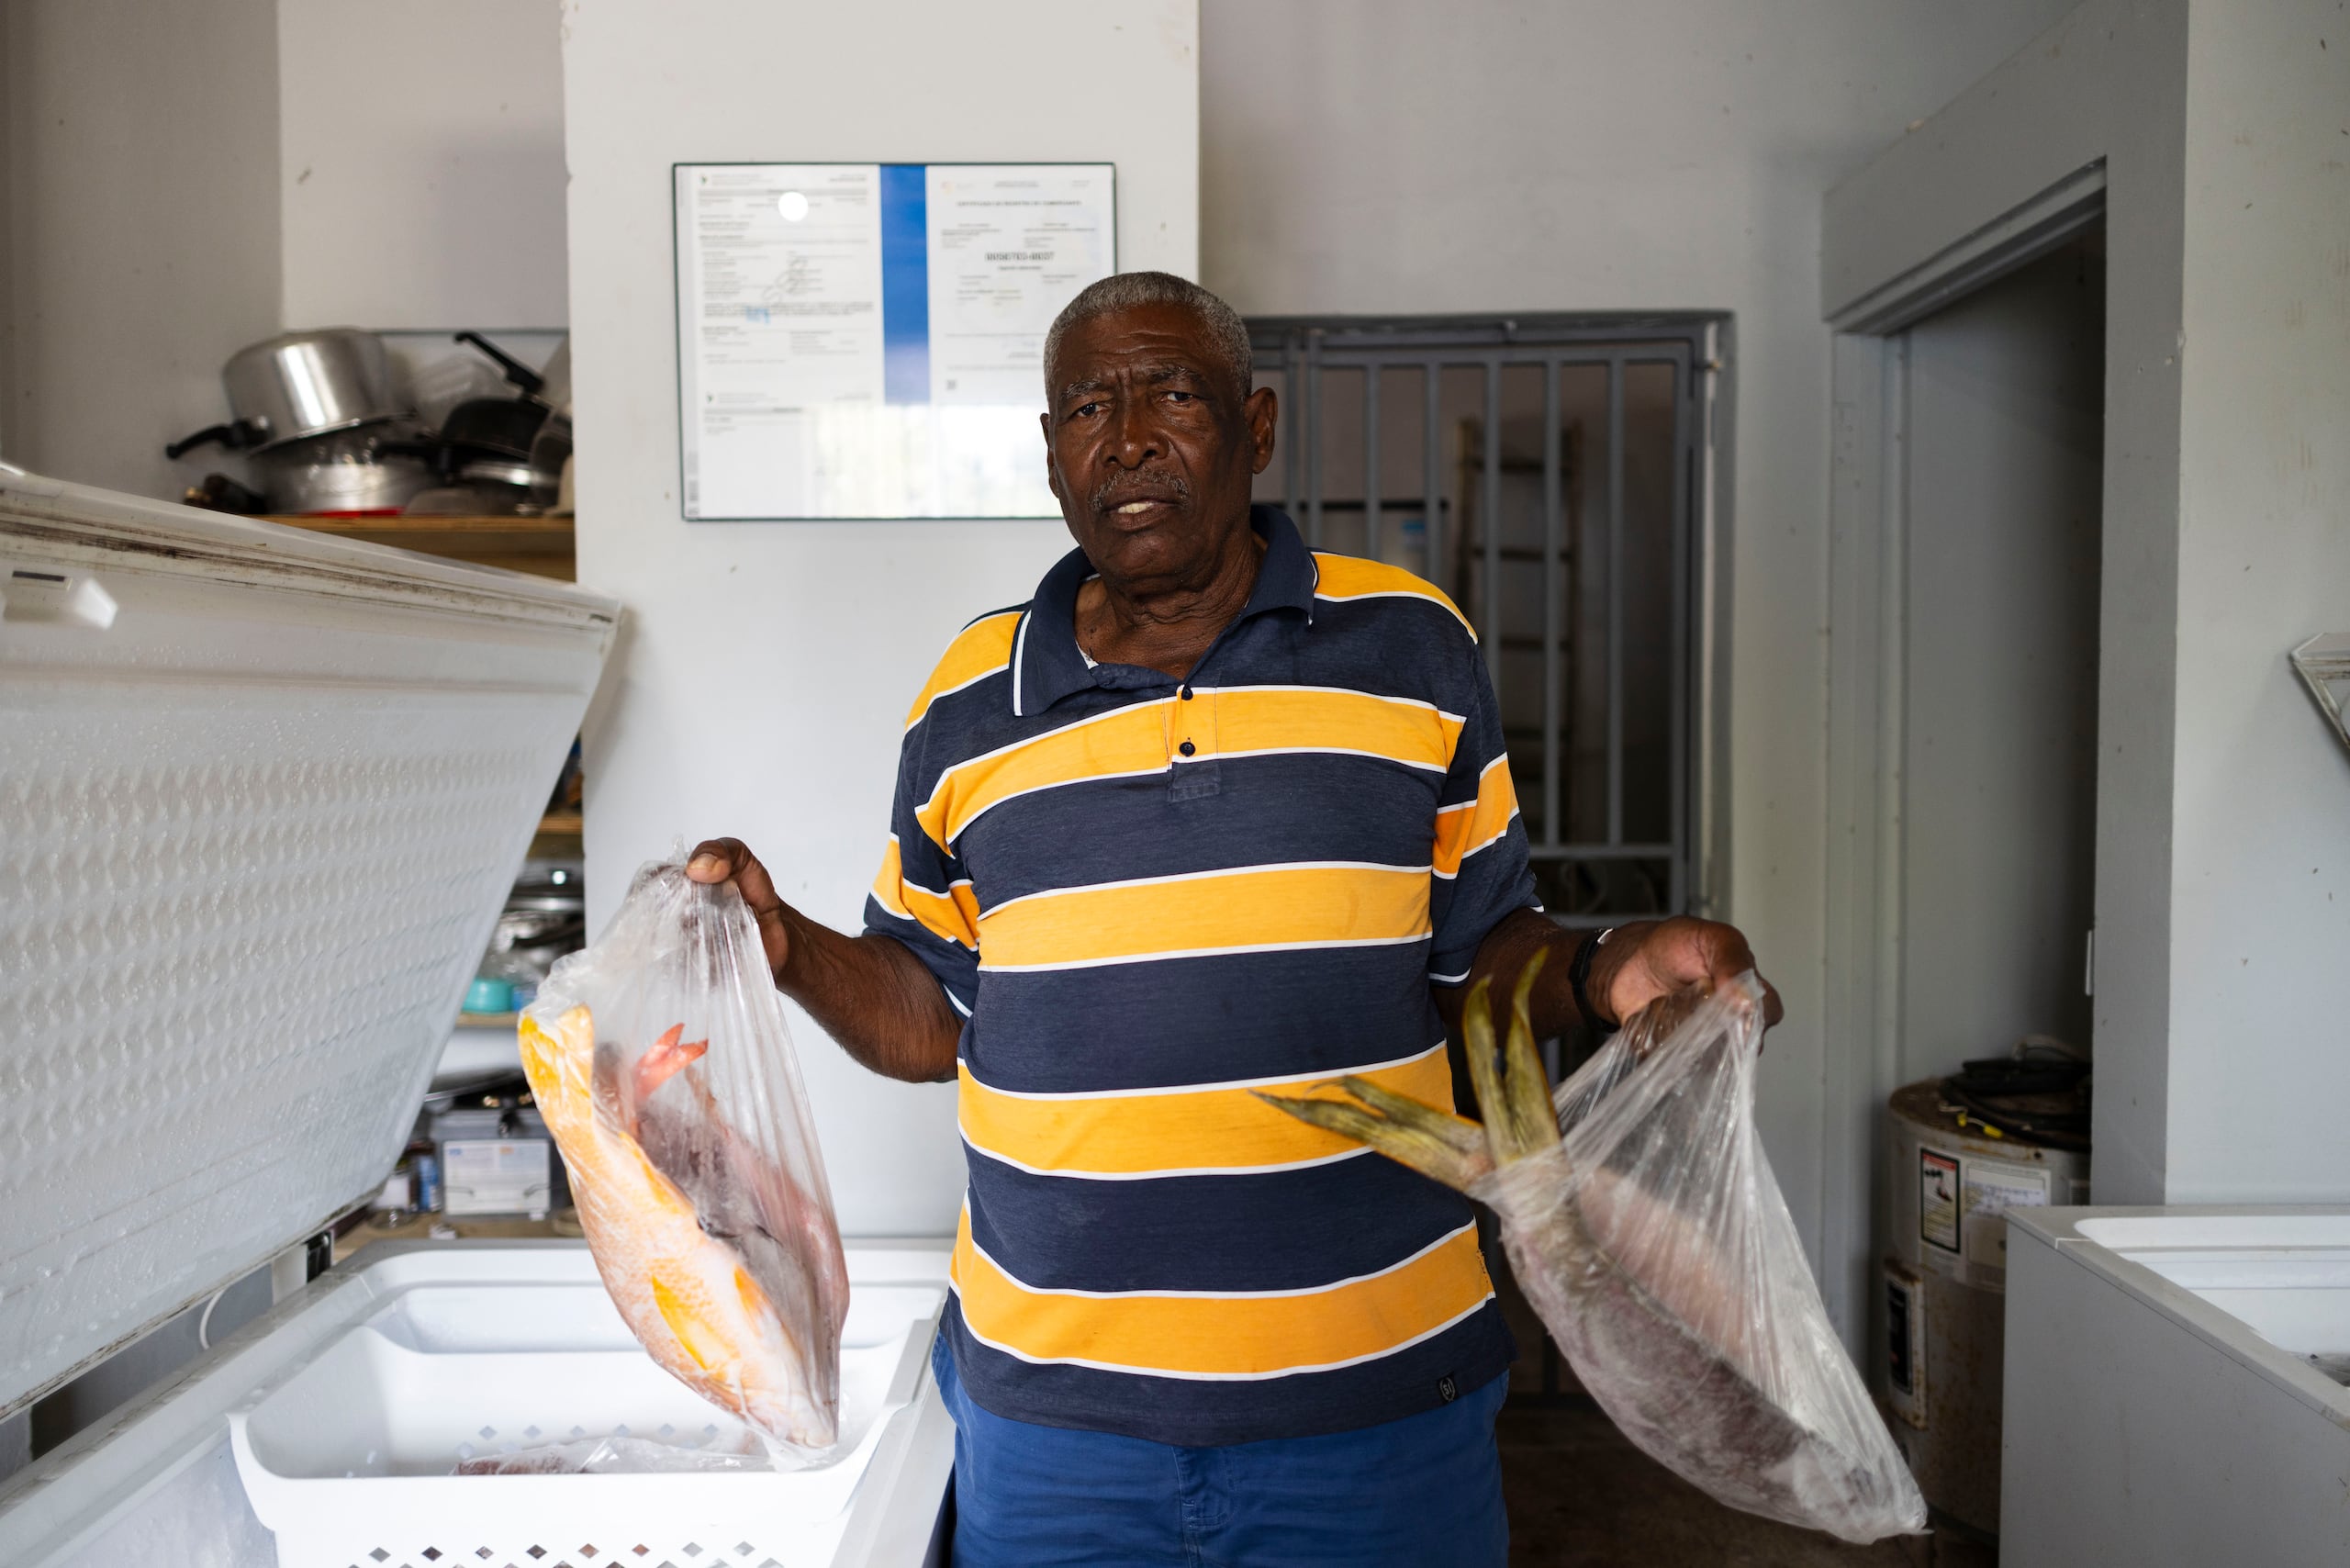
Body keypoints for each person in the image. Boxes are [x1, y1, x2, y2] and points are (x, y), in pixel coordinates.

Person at [687, 271, 1782, 1566]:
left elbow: (1479, 955)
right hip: (1059, 1424)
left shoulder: (1410, 648)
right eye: (1089, 406)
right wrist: (791, 950)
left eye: (1172, 395)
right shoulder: (971, 699)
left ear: (1255, 431)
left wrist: (1604, 968)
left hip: (1375, 1402)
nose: (1130, 436)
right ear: (1051, 456)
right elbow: (936, 1010)